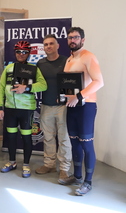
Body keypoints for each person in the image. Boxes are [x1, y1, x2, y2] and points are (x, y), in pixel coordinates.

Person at [62, 27, 104, 196]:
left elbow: (99, 82)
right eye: (70, 37)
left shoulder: (89, 57)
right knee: (74, 143)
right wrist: (64, 96)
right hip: (71, 106)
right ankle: (77, 176)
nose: (73, 40)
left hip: (86, 106)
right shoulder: (70, 59)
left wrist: (79, 96)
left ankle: (88, 182)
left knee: (86, 144)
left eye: (76, 37)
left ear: (83, 39)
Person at [0, 41, 47, 178]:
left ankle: (26, 164)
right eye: (18, 51)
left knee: (26, 138)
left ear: (29, 53)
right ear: (15, 53)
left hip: (26, 109)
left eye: (24, 52)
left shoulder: (34, 69)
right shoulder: (8, 68)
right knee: (11, 137)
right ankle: (12, 162)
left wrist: (27, 88)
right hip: (10, 109)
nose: (21, 54)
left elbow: (43, 85)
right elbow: (1, 88)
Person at [35, 35, 72, 183]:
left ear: (58, 46)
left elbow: (72, 81)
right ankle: (49, 164)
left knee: (64, 138)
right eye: (46, 44)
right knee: (48, 137)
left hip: (63, 107)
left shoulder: (66, 61)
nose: (48, 46)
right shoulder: (40, 63)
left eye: (51, 44)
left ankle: (64, 169)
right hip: (46, 105)